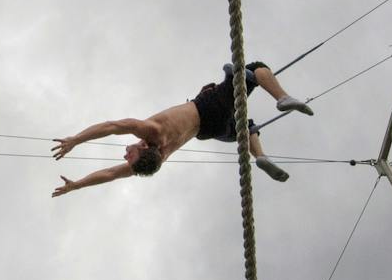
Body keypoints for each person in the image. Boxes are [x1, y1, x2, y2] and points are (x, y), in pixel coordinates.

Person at [51, 63, 312, 197]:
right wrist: (76, 140)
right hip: (207, 108)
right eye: (128, 156)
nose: (124, 156)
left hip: (210, 130)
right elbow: (111, 126)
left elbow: (109, 175)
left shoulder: (160, 157)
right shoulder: (151, 131)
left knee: (247, 126)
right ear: (142, 149)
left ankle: (260, 156)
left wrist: (77, 186)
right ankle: (281, 97)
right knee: (255, 69)